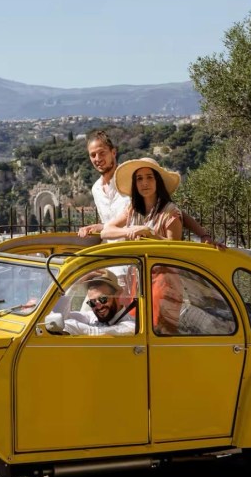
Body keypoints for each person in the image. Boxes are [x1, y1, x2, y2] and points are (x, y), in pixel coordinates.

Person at [100, 158, 196, 333]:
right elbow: (105, 231)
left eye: (149, 177)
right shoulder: (133, 210)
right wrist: (130, 231)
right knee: (137, 330)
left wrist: (151, 235)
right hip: (138, 280)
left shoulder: (170, 212)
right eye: (139, 178)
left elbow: (175, 251)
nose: (144, 183)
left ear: (157, 180)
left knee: (159, 333)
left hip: (164, 283)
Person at [77, 130, 219, 245]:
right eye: (93, 155)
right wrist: (101, 227)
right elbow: (111, 225)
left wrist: (203, 235)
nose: (98, 159)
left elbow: (173, 213)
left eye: (102, 153)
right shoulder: (96, 189)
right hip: (115, 255)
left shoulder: (135, 184)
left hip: (137, 259)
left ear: (113, 152)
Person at [45, 270, 136, 336]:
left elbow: (99, 332)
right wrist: (74, 286)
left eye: (103, 299)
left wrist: (71, 325)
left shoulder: (131, 324)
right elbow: (58, 316)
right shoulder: (91, 317)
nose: (98, 306)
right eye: (92, 302)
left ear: (117, 294)